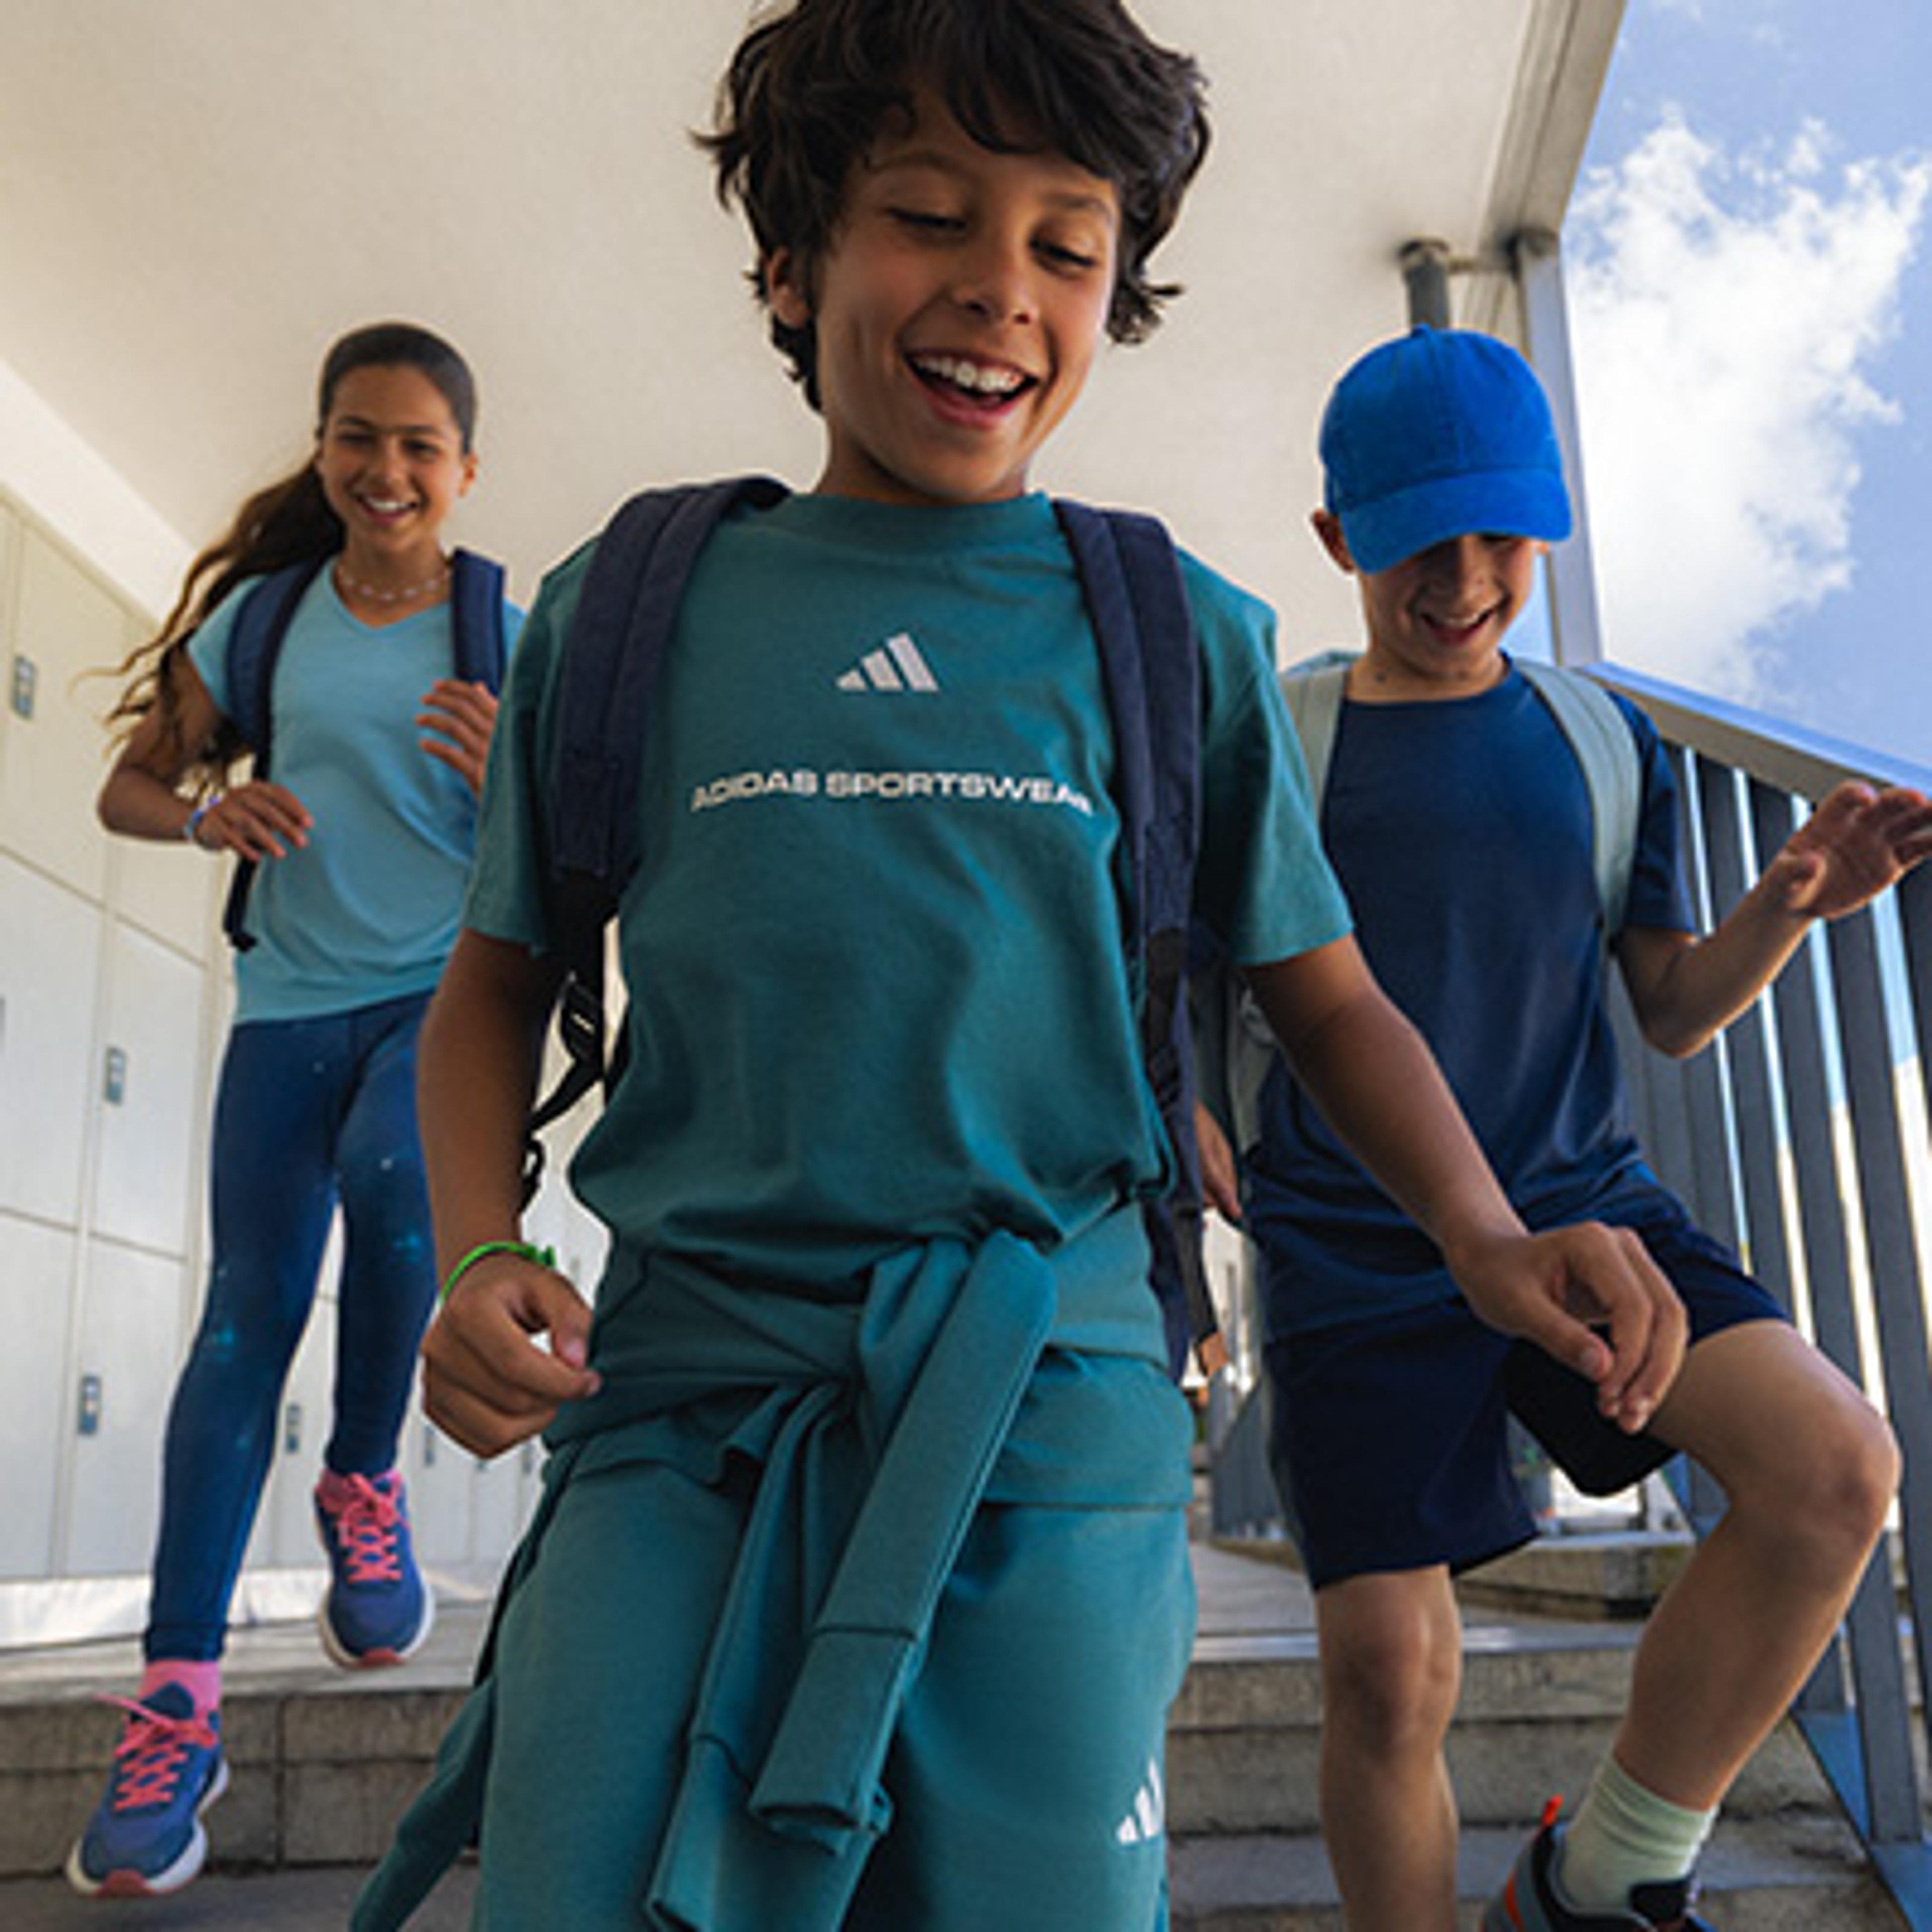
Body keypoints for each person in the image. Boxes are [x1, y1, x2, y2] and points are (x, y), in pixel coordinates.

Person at [355, 15, 1682, 1930]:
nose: (1000, 289)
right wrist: (481, 1252)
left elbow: (1326, 998)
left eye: (1069, 244)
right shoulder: (629, 607)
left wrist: (1484, 1237)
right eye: (927, 215)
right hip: (676, 1409)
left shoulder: (1173, 633)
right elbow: (491, 987)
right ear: (798, 257)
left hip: (1054, 1410)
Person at [1197, 324, 1928, 1932]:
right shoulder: (1278, 743)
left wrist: (1790, 909)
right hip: (1355, 1252)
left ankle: (1600, 1878)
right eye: (1416, 544)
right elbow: (1197, 974)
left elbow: (1668, 1005)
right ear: (1339, 543)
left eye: (1501, 540)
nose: (1464, 579)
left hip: (1594, 1214)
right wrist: (1186, 1104)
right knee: (1393, 1676)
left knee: (1833, 1469)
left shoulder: (1607, 746)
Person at [68, 321, 521, 1899]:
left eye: (417, 446)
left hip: (435, 999)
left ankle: (363, 1477)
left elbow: (587, 839)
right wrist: (208, 813)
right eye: (357, 438)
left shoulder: (497, 634)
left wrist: (511, 770)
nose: (385, 470)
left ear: (467, 470)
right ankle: (176, 1704)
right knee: (241, 1321)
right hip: (286, 1011)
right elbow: (129, 786)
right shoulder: (260, 627)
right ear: (324, 451)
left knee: (401, 1175)